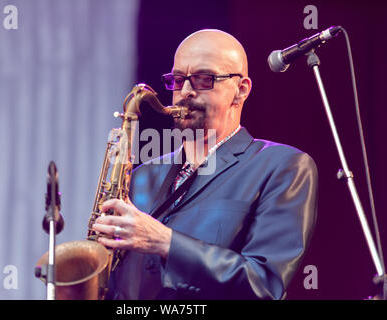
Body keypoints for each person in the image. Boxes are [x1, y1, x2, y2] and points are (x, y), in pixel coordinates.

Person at [91, 29, 318, 299]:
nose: (185, 92)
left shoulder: (284, 167)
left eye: (202, 79)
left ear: (240, 90)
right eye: (177, 80)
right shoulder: (142, 176)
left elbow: (263, 285)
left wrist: (165, 241)